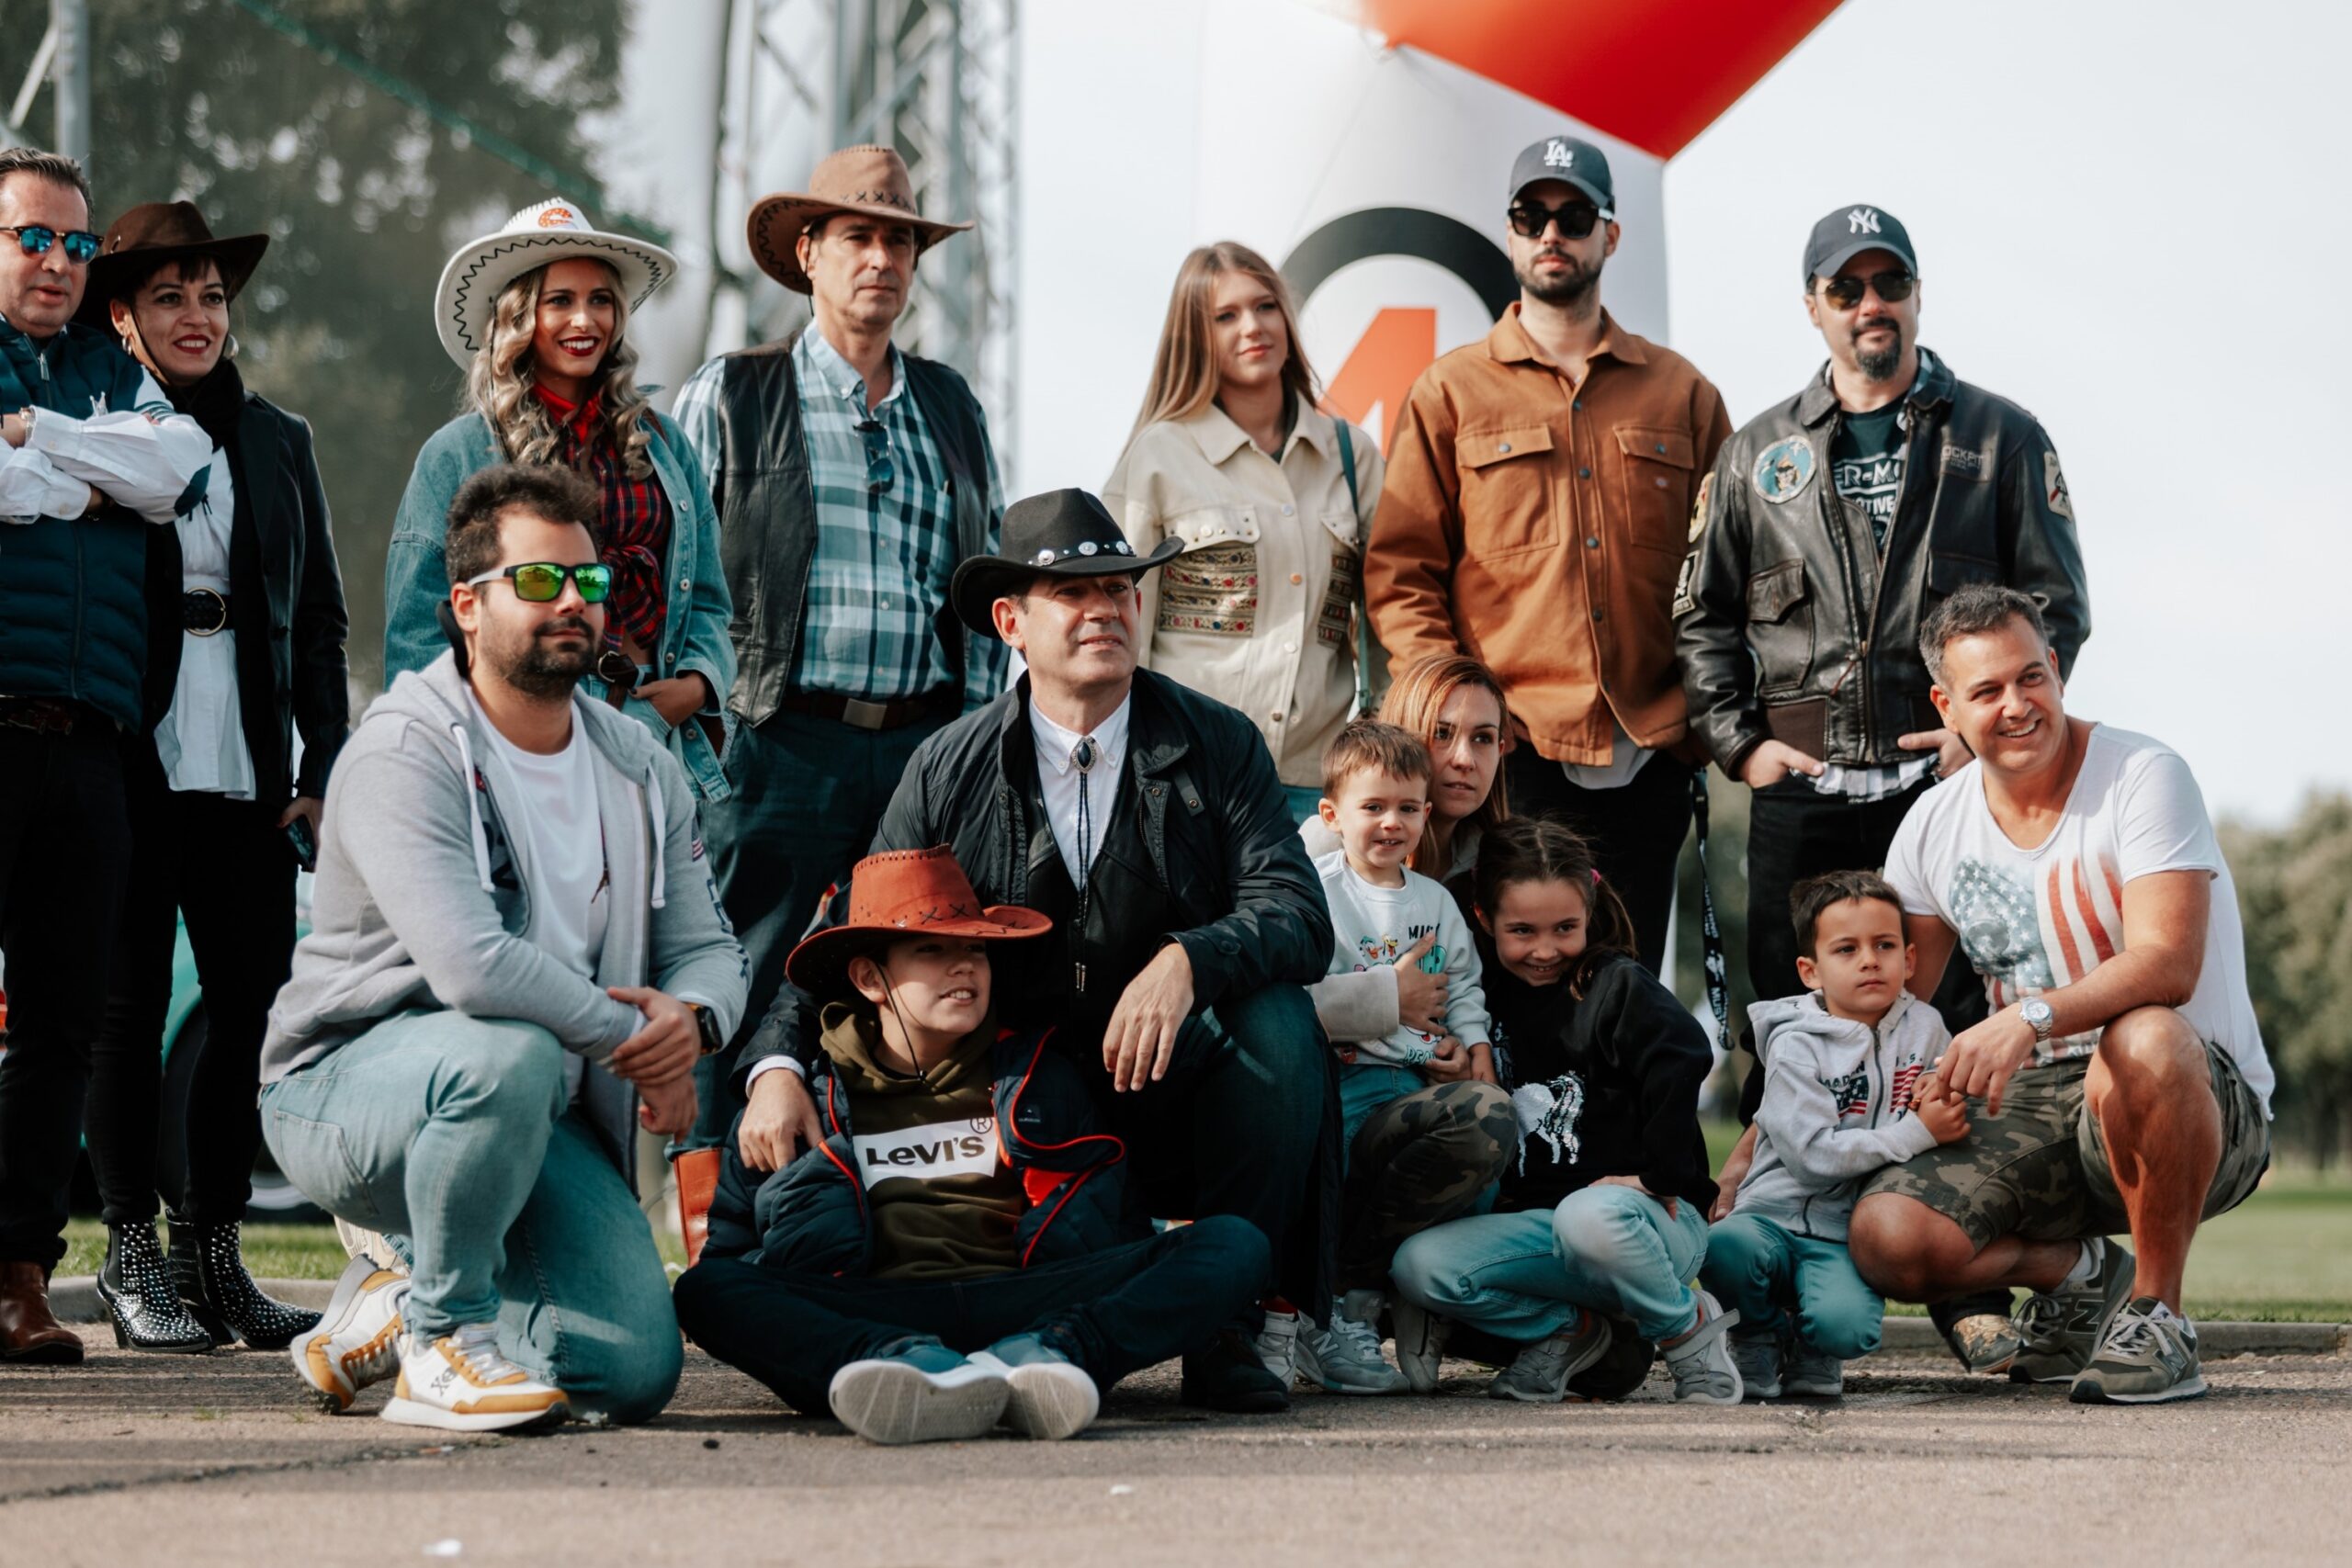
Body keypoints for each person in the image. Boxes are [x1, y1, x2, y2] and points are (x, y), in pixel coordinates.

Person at [729, 488, 1331, 1414]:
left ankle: (1224, 1329)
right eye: (1073, 594)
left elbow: (1296, 911)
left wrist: (1186, 960)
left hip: (1173, 1089)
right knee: (741, 1276)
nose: (1104, 610)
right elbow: (855, 926)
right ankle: (958, 1336)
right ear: (1010, 621)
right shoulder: (947, 763)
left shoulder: (1218, 742)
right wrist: (775, 1063)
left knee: (1278, 1023)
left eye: (1119, 589)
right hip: (1017, 1109)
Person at [1679, 203, 2089, 1372]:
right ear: (1813, 306)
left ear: (1915, 293)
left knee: (1956, 1029)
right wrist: (1740, 746)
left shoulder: (1999, 438)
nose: (1871, 306)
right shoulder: (1760, 450)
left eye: (1888, 283)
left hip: (1943, 786)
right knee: (1793, 1032)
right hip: (1803, 790)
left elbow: (2057, 607)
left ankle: (1962, 1286)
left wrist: (1982, 733)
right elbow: (1699, 616)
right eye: (1845, 287)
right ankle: (1778, 1286)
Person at [257, 464, 746, 1430]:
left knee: (630, 1370)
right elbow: (471, 965)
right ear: (467, 608)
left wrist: (687, 1025)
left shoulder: (639, 761)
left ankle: (391, 1308)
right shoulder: (407, 747)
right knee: (508, 1047)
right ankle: (442, 1340)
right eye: (538, 581)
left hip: (536, 1114)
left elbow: (708, 945)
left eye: (589, 582)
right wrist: (627, 1037)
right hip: (347, 1097)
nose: (572, 601)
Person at [673, 845, 1272, 1445]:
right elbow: (733, 1257)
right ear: (868, 978)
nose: (962, 967)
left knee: (1233, 1243)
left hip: (1026, 1305)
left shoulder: (1042, 1074)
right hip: (874, 1308)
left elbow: (1117, 1229)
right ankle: (893, 1364)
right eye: (932, 949)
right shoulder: (798, 1099)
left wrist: (1087, 1304)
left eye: (975, 950)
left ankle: (1056, 1357)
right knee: (706, 1290)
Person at [1849, 585, 2273, 1406]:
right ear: (1947, 705)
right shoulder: (1934, 820)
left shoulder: (2144, 775)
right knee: (1889, 1239)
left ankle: (2159, 1317)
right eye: (1987, 691)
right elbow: (1890, 1003)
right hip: (2042, 1098)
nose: (2016, 706)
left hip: (2193, 1094)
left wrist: (2026, 1015)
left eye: (2031, 677)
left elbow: (2168, 963)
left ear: (2058, 673)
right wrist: (1771, 1123)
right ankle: (2084, 1280)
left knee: (2142, 1033)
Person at [672, 145, 1007, 1151]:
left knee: (909, 993)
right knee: (740, 976)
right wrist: (708, 725)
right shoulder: (731, 391)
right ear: (809, 253)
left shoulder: (951, 406)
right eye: (859, 236)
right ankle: (714, 1246)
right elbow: (680, 574)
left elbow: (983, 588)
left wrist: (977, 737)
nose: (882, 257)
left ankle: (889, 1231)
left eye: (900, 239)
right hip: (776, 741)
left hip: (921, 748)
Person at [74, 202, 350, 1353]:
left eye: (210, 296)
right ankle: (129, 1254)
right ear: (126, 320)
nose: (196, 317)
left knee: (251, 1008)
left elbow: (323, 624)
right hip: (132, 756)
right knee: (126, 1014)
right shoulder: (91, 427)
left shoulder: (280, 438)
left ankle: (212, 1251)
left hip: (247, 763)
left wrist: (323, 768)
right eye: (168, 297)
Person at [1366, 134, 1731, 971]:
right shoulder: (1451, 390)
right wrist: (1457, 719)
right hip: (1514, 757)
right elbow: (1401, 571)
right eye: (1532, 216)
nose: (1551, 234)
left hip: (1650, 751)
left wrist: (1707, 723)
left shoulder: (1684, 393)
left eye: (1573, 217)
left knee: (1628, 986)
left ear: (1611, 235)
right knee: (1509, 987)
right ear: (1509, 233)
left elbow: (1731, 574)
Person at [0, 146, 213, 1365]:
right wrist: (82, 471)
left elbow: (169, 467)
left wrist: (41, 442)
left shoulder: (104, 370)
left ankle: (18, 1273)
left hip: (90, 742)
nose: (58, 263)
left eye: (77, 246)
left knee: (62, 1023)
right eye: (33, 237)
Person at [381, 197, 732, 801]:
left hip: (652, 730)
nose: (585, 320)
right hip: (512, 743)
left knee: (646, 896)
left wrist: (698, 685)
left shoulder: (666, 443)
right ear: (519, 316)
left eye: (600, 300)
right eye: (560, 301)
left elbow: (708, 597)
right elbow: (417, 634)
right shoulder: (457, 454)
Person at [1389, 819, 1743, 1404]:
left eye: (1565, 928)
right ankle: (1565, 1330)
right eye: (1522, 931)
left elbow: (1683, 1053)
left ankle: (1687, 1330)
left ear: (1589, 912)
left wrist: (1663, 1175)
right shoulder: (1484, 1000)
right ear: (1484, 920)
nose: (1545, 949)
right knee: (1419, 1266)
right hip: (1544, 1233)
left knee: (1589, 1219)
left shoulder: (1612, 985)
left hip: (1647, 1221)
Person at [1103, 242, 1385, 820]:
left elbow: (1386, 621)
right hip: (1190, 777)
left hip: (1323, 784)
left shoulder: (1352, 457)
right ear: (1196, 337)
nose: (1252, 326)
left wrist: (1384, 741)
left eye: (1265, 307)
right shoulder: (1158, 456)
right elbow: (1121, 623)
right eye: (1225, 316)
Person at [1297, 719, 1507, 1394]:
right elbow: (1302, 991)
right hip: (1340, 1073)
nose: (1393, 823)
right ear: (1331, 814)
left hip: (1416, 1079)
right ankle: (1336, 1308)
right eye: (1374, 807)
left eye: (1409, 808)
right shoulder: (1318, 891)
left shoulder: (1435, 901)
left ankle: (1414, 1295)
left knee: (1484, 1164)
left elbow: (1465, 984)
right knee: (1334, 1179)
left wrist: (1475, 1048)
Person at [1701, 871, 1961, 1400]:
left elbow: (1948, 1100)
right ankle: (1755, 1334)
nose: (1870, 960)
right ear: (1810, 971)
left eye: (1884, 945)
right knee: (1724, 1246)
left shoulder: (1928, 1028)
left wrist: (1944, 1091)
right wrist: (1916, 1133)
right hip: (1770, 1219)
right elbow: (1813, 1157)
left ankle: (1815, 1346)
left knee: (1846, 1327)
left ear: (1909, 960)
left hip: (1848, 1233)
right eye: (1847, 949)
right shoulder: (1795, 1045)